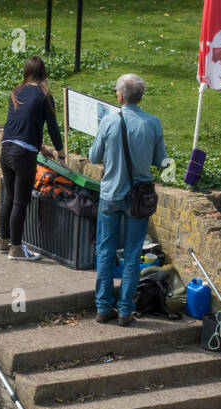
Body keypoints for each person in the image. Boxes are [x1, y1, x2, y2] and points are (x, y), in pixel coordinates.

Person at [89, 73, 168, 326]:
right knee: (133, 254)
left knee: (105, 251)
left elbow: (93, 157)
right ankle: (125, 311)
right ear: (140, 96)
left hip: (111, 194)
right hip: (138, 197)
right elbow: (161, 161)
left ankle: (103, 308)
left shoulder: (108, 122)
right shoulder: (153, 123)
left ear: (120, 96)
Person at [0, 56, 65, 262]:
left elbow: (20, 125)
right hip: (23, 155)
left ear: (25, 73)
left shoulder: (15, 93)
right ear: (44, 74)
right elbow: (52, 127)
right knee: (20, 201)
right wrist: (61, 153)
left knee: (8, 198)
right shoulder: (44, 96)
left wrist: (40, 148)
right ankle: (16, 248)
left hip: (6, 149)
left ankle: (3, 242)